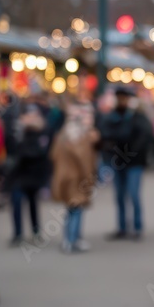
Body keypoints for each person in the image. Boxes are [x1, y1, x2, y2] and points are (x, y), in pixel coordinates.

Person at [98, 87, 153, 240]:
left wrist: (130, 151)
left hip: (134, 162)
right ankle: (122, 227)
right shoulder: (111, 117)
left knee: (133, 194)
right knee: (120, 196)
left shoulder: (137, 117)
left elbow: (144, 137)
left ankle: (137, 227)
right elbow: (105, 135)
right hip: (117, 161)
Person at [50, 102, 99, 253]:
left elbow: (52, 155)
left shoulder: (62, 135)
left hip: (64, 176)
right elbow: (85, 161)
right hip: (77, 178)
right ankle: (72, 240)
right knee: (77, 209)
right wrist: (91, 178)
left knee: (70, 209)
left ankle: (69, 238)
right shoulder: (81, 138)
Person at [7, 100, 53, 246]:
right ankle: (18, 233)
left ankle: (35, 231)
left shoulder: (41, 132)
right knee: (16, 203)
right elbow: (10, 147)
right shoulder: (18, 131)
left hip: (33, 174)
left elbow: (41, 153)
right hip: (18, 174)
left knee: (33, 204)